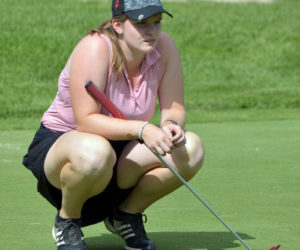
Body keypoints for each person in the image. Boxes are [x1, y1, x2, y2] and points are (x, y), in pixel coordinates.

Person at [23, 0, 205, 249]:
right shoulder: (95, 47)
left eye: (156, 22)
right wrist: (142, 128)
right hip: (68, 146)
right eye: (141, 23)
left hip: (121, 146)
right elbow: (86, 120)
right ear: (117, 24)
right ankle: (67, 221)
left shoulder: (165, 47)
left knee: (191, 149)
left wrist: (172, 125)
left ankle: (125, 216)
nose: (151, 31)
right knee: (96, 151)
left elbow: (174, 107)